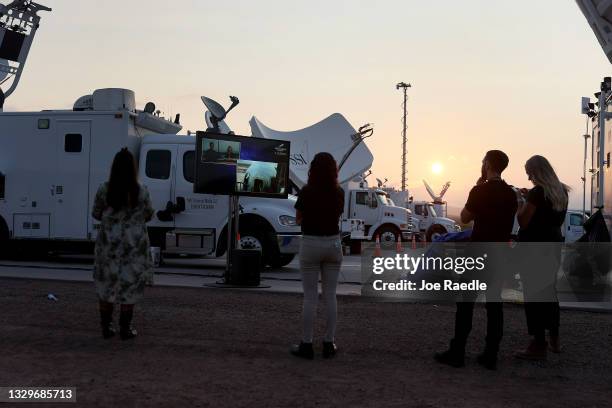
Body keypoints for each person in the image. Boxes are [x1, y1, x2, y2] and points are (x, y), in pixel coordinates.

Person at [435, 150, 517, 370]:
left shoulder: (479, 190)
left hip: (477, 253)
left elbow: (463, 218)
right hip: (500, 254)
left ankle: (458, 351)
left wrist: (477, 188)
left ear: (488, 164)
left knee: (466, 303)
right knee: (494, 304)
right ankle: (491, 355)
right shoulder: (511, 194)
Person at [92, 148, 154, 340]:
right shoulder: (141, 190)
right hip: (133, 246)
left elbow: (96, 213)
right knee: (130, 286)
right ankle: (125, 329)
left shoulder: (104, 188)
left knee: (106, 286)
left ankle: (106, 327)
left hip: (108, 245)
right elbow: (149, 213)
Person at [515, 155, 569, 360]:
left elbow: (524, 221)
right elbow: (548, 215)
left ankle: (538, 344)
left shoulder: (537, 193)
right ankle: (554, 338)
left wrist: (521, 201)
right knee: (549, 293)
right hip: (552, 246)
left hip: (532, 249)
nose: (528, 177)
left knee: (533, 295)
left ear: (536, 172)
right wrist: (530, 197)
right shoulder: (561, 191)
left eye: (529, 172)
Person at [291, 152, 345, 359]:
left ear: (312, 169)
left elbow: (298, 219)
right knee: (330, 295)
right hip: (332, 243)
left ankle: (306, 345)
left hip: (311, 244)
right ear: (334, 170)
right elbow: (336, 214)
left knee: (310, 297)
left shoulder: (306, 191)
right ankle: (329, 344)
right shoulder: (339, 192)